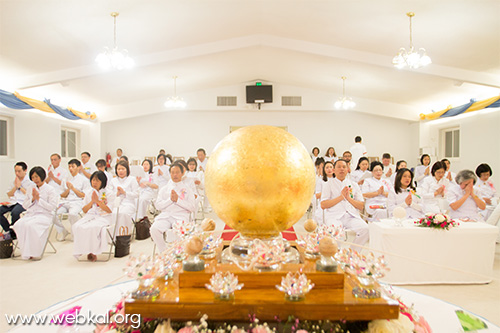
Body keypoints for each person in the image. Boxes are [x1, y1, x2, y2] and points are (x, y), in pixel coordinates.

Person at [11, 167, 58, 260]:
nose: (35, 179)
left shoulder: (50, 189)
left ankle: (35, 251)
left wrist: (38, 199)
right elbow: (24, 205)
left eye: (37, 177)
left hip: (44, 215)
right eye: (33, 177)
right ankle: (25, 252)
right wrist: (32, 199)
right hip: (31, 214)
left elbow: (51, 207)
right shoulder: (30, 188)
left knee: (30, 226)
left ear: (42, 176)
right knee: (19, 224)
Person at [320, 159, 368, 247]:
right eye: (339, 167)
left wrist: (349, 199)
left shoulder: (354, 184)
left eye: (344, 167)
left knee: (365, 229)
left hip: (351, 216)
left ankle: (352, 253)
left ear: (347, 170)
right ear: (334, 170)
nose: (342, 169)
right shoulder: (328, 184)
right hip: (334, 216)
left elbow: (361, 206)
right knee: (336, 231)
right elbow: (323, 205)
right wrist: (341, 197)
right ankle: (337, 255)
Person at [150, 164, 196, 253]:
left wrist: (178, 200)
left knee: (179, 231)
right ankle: (164, 252)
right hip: (166, 216)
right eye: (172, 172)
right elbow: (158, 206)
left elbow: (192, 207)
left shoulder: (187, 189)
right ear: (170, 174)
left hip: (181, 216)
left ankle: (179, 252)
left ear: (182, 173)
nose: (175, 175)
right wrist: (170, 200)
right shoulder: (164, 189)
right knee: (154, 229)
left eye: (177, 172)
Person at [72, 171, 115, 262]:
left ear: (103, 182)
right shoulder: (89, 193)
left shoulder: (109, 193)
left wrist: (98, 201)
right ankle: (83, 250)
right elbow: (84, 210)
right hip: (90, 215)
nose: (94, 183)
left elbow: (109, 210)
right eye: (93, 180)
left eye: (97, 181)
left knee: (93, 227)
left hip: (104, 217)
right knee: (77, 226)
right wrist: (92, 201)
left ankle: (93, 252)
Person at [56, 159, 90, 240]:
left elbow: (84, 195)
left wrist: (73, 189)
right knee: (53, 213)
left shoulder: (84, 180)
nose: (71, 169)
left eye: (73, 166)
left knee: (73, 214)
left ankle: (75, 233)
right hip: (65, 201)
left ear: (78, 167)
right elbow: (62, 195)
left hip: (77, 202)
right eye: (69, 167)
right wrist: (68, 189)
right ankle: (63, 231)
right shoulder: (65, 179)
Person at [0, 162, 33, 240]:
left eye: (19, 171)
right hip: (13, 202)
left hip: (23, 202)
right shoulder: (14, 181)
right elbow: (9, 194)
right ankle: (9, 230)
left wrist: (20, 187)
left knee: (15, 212)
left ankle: (15, 232)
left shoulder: (30, 182)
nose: (17, 173)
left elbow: (29, 195)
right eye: (15, 171)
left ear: (25, 170)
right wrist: (15, 186)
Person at [111, 160, 139, 231]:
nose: (121, 171)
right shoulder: (113, 180)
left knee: (123, 214)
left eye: (123, 169)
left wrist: (124, 192)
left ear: (127, 170)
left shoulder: (132, 179)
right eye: (119, 169)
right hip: (116, 204)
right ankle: (114, 235)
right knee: (113, 214)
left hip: (128, 203)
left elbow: (136, 194)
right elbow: (109, 194)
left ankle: (124, 235)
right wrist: (116, 194)